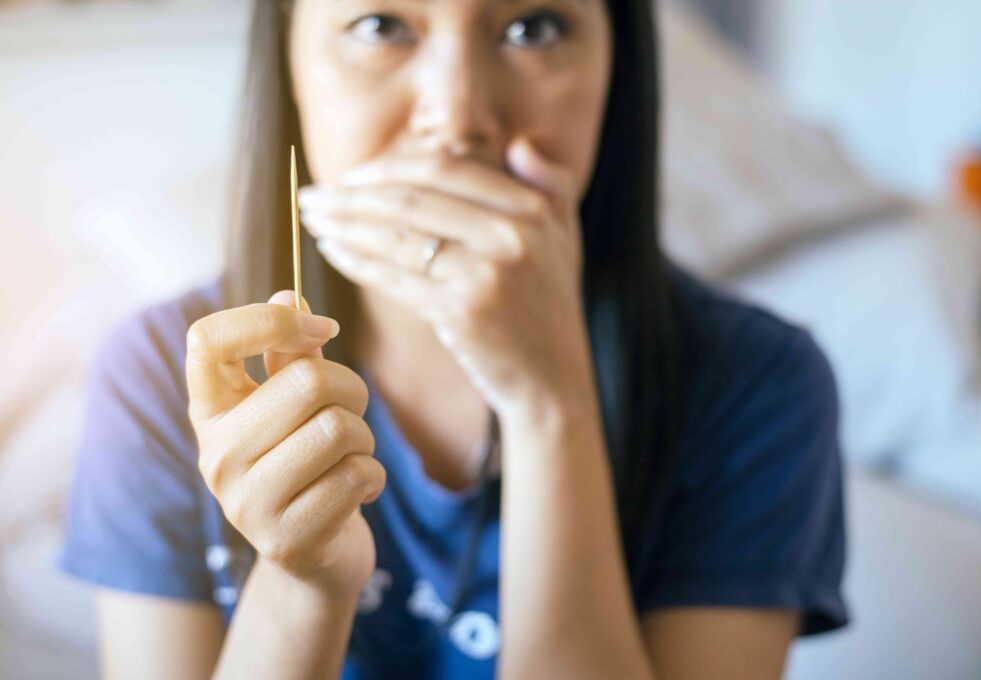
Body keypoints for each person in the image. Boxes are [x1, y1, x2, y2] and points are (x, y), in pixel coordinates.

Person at [58, 0, 848, 678]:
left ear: (619, 66)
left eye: (534, 27)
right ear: (288, 61)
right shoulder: (164, 374)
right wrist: (302, 585)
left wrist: (549, 404)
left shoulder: (758, 382)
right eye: (380, 25)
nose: (460, 116)